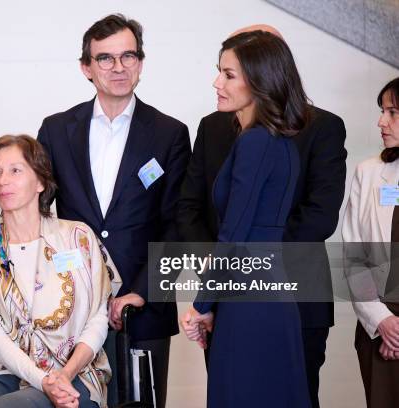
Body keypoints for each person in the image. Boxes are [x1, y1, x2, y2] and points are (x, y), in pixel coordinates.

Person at [177, 25, 346, 408]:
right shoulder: (278, 139)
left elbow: (234, 237)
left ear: (259, 79)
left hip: (248, 299)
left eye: (228, 74)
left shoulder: (255, 141)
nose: (216, 81)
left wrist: (201, 305)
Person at [37, 14, 190, 407]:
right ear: (86, 67)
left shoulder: (170, 133)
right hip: (70, 310)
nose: (118, 67)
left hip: (143, 309)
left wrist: (142, 290)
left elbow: (177, 224)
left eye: (128, 56)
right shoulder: (55, 130)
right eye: (105, 58)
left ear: (141, 61)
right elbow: (39, 219)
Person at [0, 135, 121, 408]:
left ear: (41, 182)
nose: (3, 180)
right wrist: (43, 381)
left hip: (74, 369)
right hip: (0, 369)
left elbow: (98, 318)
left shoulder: (78, 237)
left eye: (15, 170)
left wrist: (64, 375)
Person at [342, 77, 399, 408]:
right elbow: (353, 258)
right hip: (378, 330)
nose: (381, 121)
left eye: (392, 112)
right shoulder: (368, 172)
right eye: (382, 111)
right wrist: (383, 322)